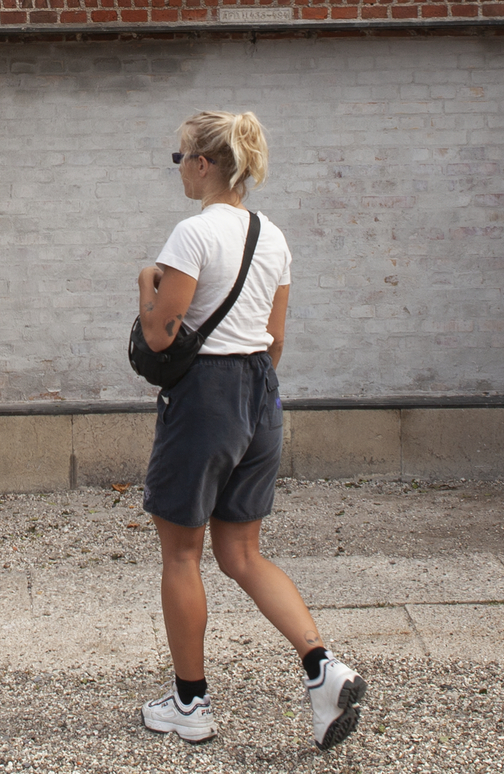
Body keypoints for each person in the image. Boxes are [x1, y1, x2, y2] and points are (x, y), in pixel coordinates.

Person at [133, 110, 365, 751]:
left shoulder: (191, 234)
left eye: (180, 157)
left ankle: (189, 704)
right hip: (262, 393)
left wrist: (143, 283)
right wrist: (250, 394)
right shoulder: (274, 236)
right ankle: (322, 667)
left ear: (205, 164)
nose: (178, 168)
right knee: (242, 553)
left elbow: (160, 333)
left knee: (183, 554)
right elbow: (278, 336)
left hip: (205, 396)